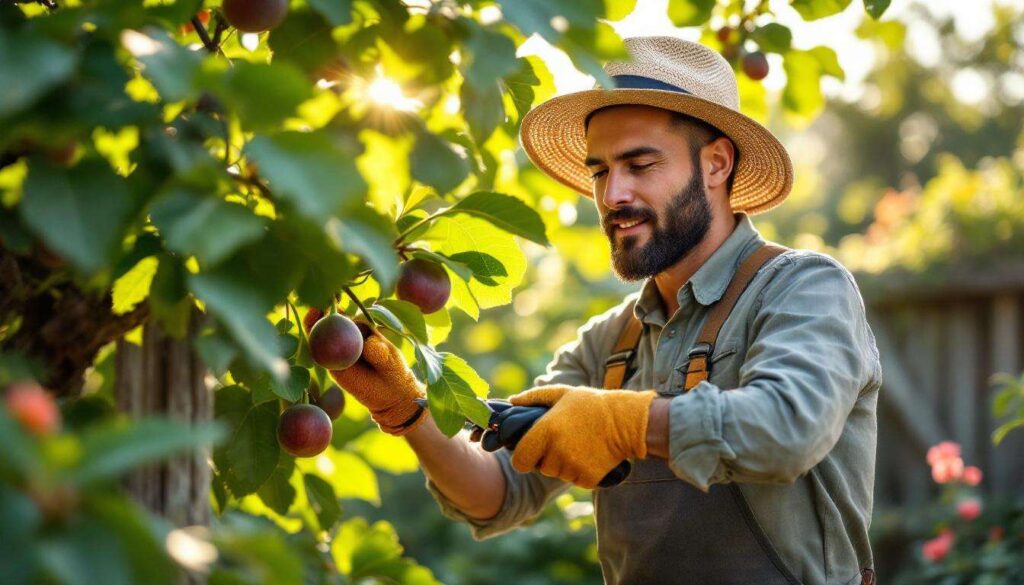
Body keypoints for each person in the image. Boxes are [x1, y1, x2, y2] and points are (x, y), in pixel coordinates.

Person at [330, 36, 881, 585]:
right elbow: (498, 494)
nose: (613, 193)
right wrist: (409, 410)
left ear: (716, 165)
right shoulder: (610, 341)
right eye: (600, 171)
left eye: (640, 164)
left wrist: (623, 423)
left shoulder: (802, 288)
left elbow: (788, 429)